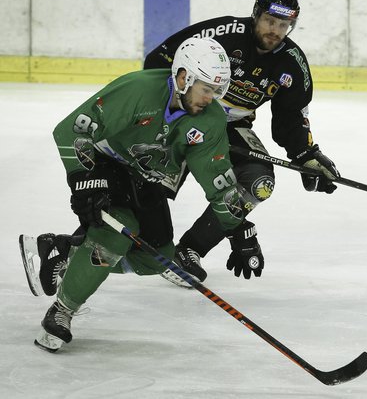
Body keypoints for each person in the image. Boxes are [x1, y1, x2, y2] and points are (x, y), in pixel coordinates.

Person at [26, 0, 340, 292]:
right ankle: (68, 248)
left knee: (259, 182)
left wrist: (305, 154)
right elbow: (160, 61)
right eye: (270, 21)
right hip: (182, 116)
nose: (275, 30)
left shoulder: (292, 64)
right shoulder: (223, 34)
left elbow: (291, 115)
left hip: (232, 127)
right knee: (143, 191)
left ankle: (189, 251)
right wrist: (174, 116)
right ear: (256, 14)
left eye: (284, 24)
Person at [24, 37, 264, 352]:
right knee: (116, 237)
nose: (211, 98)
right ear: (183, 78)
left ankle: (64, 253)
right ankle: (62, 310)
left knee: (156, 259)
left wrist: (236, 227)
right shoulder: (138, 89)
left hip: (146, 180)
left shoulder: (210, 119)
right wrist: (83, 177)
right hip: (106, 166)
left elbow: (217, 179)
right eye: (206, 89)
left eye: (217, 91)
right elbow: (73, 129)